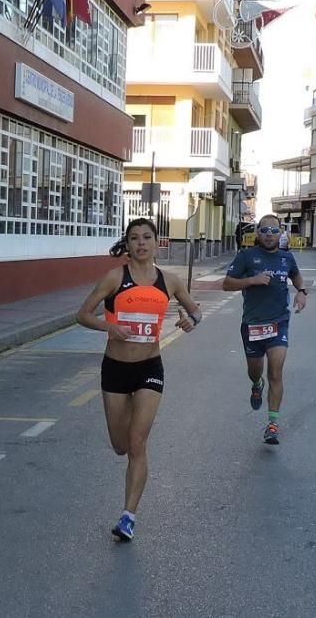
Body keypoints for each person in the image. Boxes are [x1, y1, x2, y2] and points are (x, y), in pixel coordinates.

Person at [76, 218, 202, 542]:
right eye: (134, 238)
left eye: (147, 237)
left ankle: (128, 516)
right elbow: (83, 314)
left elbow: (195, 311)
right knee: (120, 446)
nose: (141, 243)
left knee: (137, 444)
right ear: (128, 244)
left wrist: (190, 320)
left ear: (157, 242)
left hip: (149, 367)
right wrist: (110, 328)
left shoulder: (170, 281)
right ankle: (127, 435)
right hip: (116, 369)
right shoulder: (115, 278)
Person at [223, 214, 307, 446]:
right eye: (265, 230)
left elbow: (296, 276)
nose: (269, 235)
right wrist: (252, 280)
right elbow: (227, 283)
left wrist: (302, 291)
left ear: (281, 233)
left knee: (276, 372)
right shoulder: (246, 256)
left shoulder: (286, 257)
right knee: (255, 371)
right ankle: (256, 385)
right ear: (257, 233)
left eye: (274, 230)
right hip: (252, 325)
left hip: (278, 323)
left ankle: (272, 424)